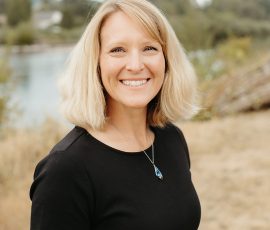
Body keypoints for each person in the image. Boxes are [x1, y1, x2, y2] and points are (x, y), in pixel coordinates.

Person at [30, 0, 201, 229]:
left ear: (167, 60)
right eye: (117, 50)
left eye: (149, 48)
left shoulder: (172, 138)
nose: (135, 65)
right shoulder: (65, 170)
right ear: (96, 63)